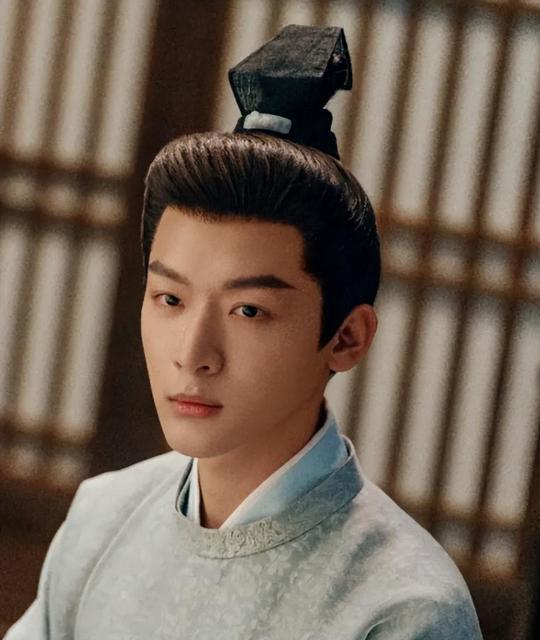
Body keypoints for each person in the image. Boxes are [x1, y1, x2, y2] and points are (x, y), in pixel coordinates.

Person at [5, 25, 483, 640]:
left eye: (249, 311)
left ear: (347, 337)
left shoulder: (403, 606)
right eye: (171, 299)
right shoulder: (103, 519)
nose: (194, 354)